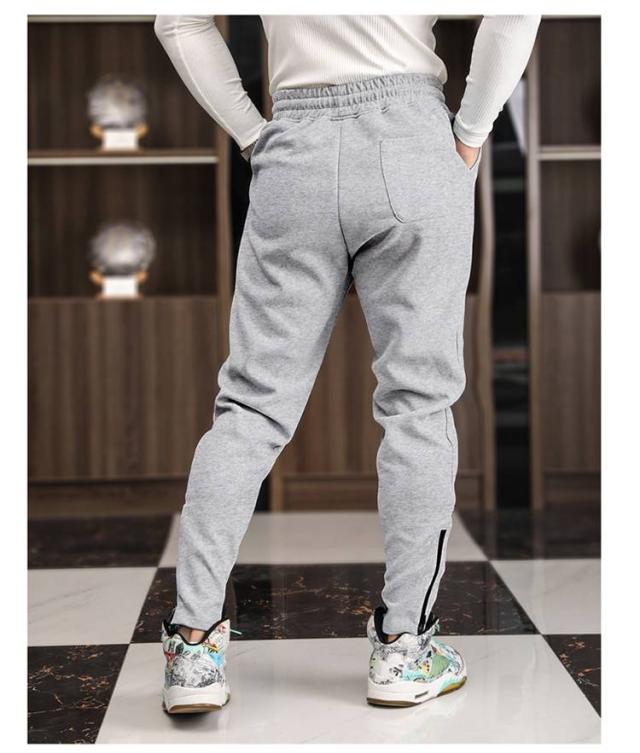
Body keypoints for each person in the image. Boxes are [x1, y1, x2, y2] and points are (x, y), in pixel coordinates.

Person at [154, 14, 540, 713]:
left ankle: (193, 650)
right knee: (418, 405)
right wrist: (470, 134)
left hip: (294, 149)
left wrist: (252, 134)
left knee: (251, 407)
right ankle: (404, 650)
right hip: (414, 141)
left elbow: (177, 18)